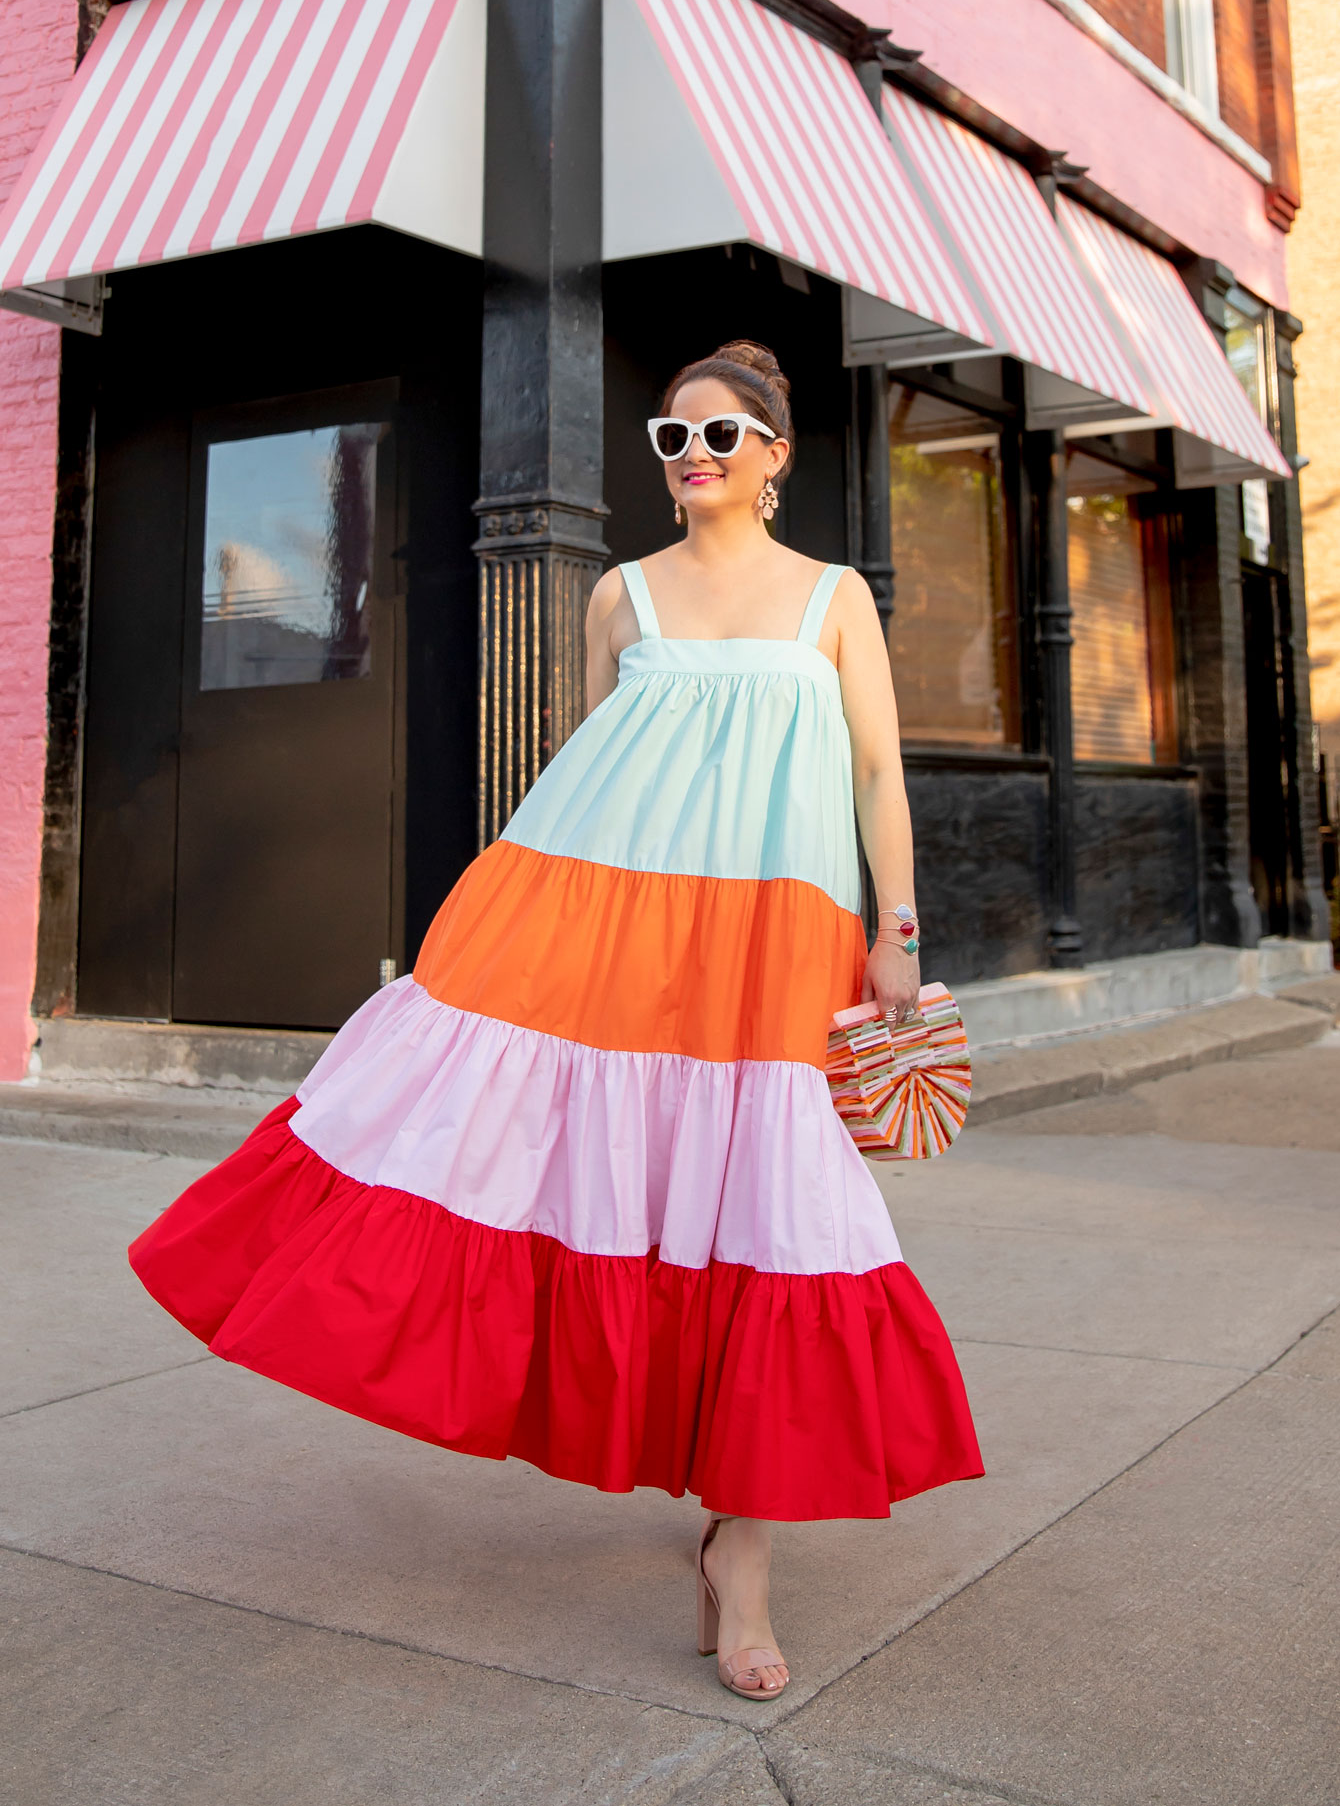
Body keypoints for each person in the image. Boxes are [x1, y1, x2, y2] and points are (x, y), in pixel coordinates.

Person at [129, 339, 982, 1703]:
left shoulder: (835, 599)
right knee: (611, 1189)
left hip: (774, 934)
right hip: (615, 925)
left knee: (769, 1215)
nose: (691, 457)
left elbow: (877, 767)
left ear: (774, 455)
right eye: (671, 438)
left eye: (718, 436)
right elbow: (589, 767)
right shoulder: (618, 596)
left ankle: (743, 1561)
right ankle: (710, 1523)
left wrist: (898, 932)